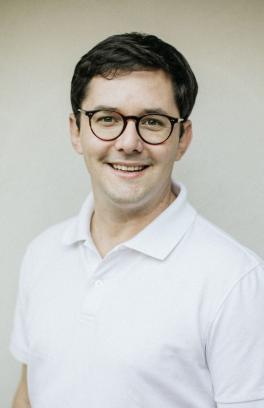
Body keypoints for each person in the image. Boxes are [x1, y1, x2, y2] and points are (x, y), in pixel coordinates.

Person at [11, 32, 264, 408]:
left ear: (182, 138)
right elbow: (28, 395)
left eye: (153, 121)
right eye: (107, 118)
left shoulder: (237, 280)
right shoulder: (42, 253)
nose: (129, 142)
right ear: (75, 131)